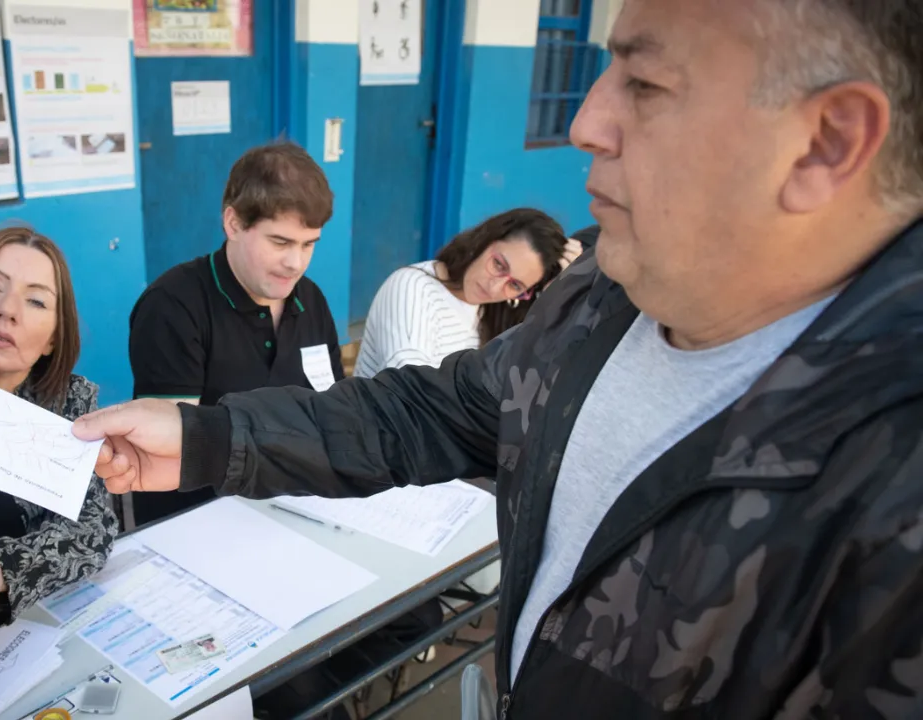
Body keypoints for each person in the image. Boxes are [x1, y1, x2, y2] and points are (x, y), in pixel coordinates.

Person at [75, 0, 923, 717]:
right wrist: (207, 437)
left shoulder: (893, 480)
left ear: (825, 143)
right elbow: (421, 410)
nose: (586, 122)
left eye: (647, 83)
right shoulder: (598, 303)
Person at [126, 140, 345, 527]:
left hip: (301, 509)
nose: (295, 263)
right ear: (234, 223)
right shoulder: (173, 306)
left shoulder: (310, 299)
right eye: (280, 242)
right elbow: (176, 446)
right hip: (199, 521)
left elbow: (332, 409)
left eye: (309, 245)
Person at [0, 227, 118, 658]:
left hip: (6, 646)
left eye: (36, 301)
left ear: (54, 336)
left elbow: (92, 530)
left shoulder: (65, 407)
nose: (8, 312)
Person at [354, 208, 576, 378]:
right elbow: (412, 392)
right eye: (499, 265)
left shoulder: (497, 311)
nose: (494, 287)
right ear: (486, 239)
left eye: (515, 285)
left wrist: (560, 294)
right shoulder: (412, 287)